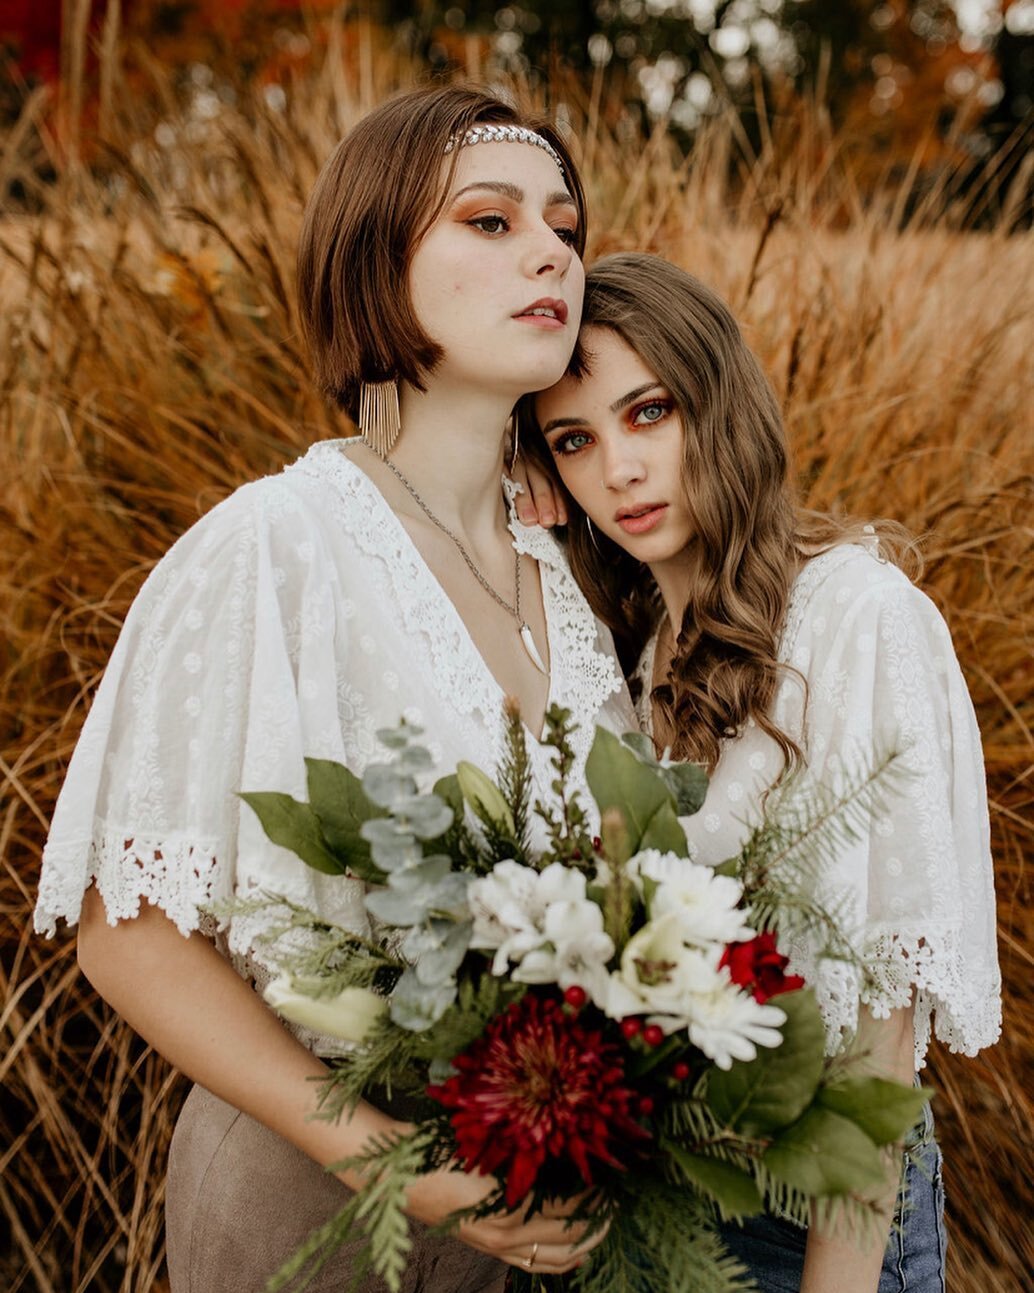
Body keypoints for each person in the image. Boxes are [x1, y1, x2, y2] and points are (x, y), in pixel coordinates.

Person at [33, 86, 637, 1293]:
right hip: (314, 1212)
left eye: (564, 227)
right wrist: (392, 1155)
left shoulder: (573, 573)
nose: (549, 252)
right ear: (374, 257)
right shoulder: (270, 547)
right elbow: (130, 934)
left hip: (550, 1219)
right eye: (487, 220)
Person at [521, 252, 1001, 1293]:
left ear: (717, 401)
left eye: (647, 413)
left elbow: (875, 1037)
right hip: (656, 1208)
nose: (618, 469)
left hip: (818, 1218)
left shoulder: (855, 616)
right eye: (574, 440)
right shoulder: (630, 655)